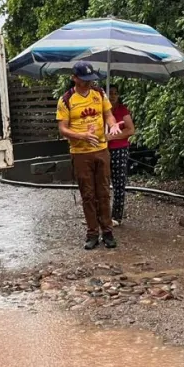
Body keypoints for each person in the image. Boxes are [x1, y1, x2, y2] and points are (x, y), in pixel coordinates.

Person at [56, 62, 123, 250]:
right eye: (84, 80)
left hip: (101, 149)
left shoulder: (99, 94)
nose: (88, 83)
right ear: (74, 78)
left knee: (103, 192)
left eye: (90, 80)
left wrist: (113, 124)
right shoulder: (66, 100)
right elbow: (62, 128)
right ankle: (92, 233)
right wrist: (82, 136)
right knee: (88, 194)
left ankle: (107, 232)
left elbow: (108, 114)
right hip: (80, 153)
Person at [107, 86, 136, 227]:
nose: (112, 96)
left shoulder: (122, 110)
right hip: (102, 150)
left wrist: (111, 137)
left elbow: (130, 130)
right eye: (109, 93)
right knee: (101, 184)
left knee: (119, 184)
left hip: (119, 149)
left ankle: (116, 217)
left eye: (115, 93)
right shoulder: (101, 110)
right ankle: (101, 216)